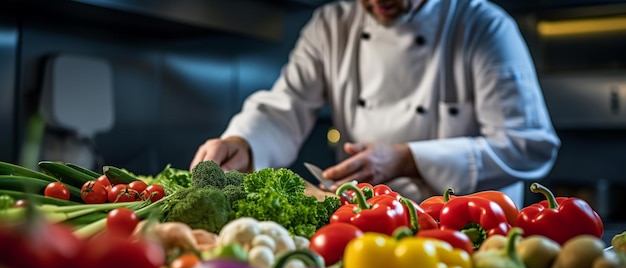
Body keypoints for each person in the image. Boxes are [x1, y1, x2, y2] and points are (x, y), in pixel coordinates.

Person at [190, 0, 561, 207]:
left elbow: (527, 146)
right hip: (363, 220)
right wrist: (243, 144)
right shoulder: (331, 25)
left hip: (466, 231)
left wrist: (406, 158)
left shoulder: (483, 25)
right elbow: (285, 104)